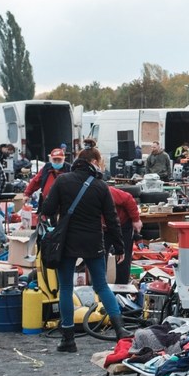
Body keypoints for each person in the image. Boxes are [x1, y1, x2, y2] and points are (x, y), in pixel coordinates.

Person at [38, 147, 126, 352]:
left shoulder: (62, 181)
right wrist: (120, 246)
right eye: (100, 160)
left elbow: (47, 209)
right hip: (93, 241)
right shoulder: (100, 186)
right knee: (101, 286)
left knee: (66, 288)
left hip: (66, 242)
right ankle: (120, 330)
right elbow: (112, 219)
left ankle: (68, 339)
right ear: (94, 161)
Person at [109, 185, 142, 285]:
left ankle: (122, 286)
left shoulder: (109, 191)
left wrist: (136, 220)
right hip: (104, 227)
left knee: (123, 256)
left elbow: (128, 199)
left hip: (123, 224)